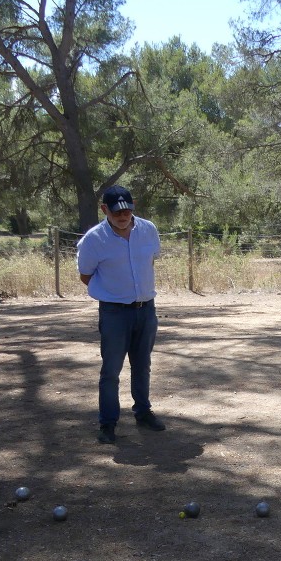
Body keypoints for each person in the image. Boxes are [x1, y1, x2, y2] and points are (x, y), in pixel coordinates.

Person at [77, 185, 165, 444]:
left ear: (132, 205)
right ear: (104, 209)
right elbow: (85, 275)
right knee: (111, 371)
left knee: (142, 366)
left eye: (127, 209)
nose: (123, 215)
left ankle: (143, 412)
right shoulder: (94, 240)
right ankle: (108, 423)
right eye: (116, 211)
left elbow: (150, 260)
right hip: (114, 313)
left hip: (146, 310)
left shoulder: (148, 230)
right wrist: (115, 292)